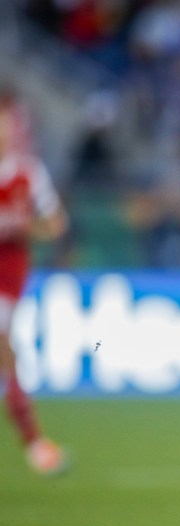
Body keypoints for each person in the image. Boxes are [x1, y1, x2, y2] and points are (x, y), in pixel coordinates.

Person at [0, 100, 69, 476]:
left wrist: (29, 229)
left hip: (7, 279)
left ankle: (34, 441)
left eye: (8, 125)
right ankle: (34, 441)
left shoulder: (28, 173)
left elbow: (56, 223)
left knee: (5, 347)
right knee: (7, 351)